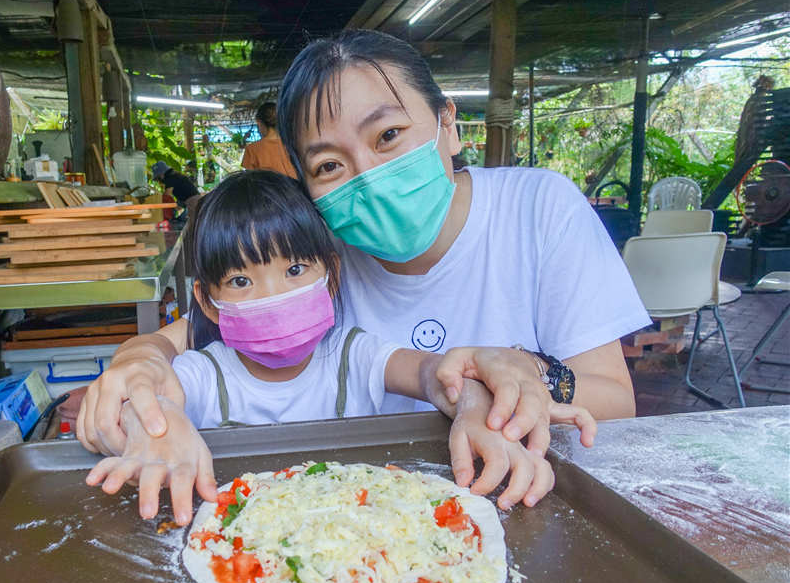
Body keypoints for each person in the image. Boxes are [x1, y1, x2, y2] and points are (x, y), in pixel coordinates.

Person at [78, 30, 648, 507]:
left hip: (513, 488)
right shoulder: (316, 255)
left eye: (389, 136)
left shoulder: (540, 208)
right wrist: (139, 375)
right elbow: (176, 341)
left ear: (448, 123)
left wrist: (517, 379)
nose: (368, 175)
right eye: (330, 164)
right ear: (307, 183)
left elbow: (616, 402)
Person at [85, 170, 595, 523]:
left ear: (330, 276)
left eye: (293, 270)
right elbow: (146, 397)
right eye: (241, 281)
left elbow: (431, 374)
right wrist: (156, 424)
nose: (273, 297)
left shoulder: (354, 355)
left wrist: (478, 401)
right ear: (209, 302)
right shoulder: (205, 373)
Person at [240, 102, 297, 177]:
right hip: (292, 188)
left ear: (259, 123)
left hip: (265, 189)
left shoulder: (252, 149)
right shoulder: (292, 144)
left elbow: (248, 180)